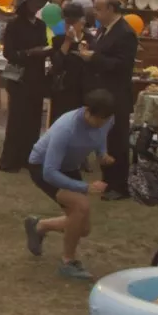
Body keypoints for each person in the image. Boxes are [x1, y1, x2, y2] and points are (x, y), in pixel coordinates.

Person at [22, 90, 117, 280]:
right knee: (81, 206)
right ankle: (68, 262)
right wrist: (85, 187)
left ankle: (39, 226)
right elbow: (50, 172)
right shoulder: (66, 128)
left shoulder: (108, 119)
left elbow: (100, 135)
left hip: (68, 167)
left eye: (105, 120)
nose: (102, 123)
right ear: (87, 111)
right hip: (43, 167)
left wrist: (102, 153)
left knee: (83, 229)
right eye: (98, 119)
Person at [81, 0, 139, 200]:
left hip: (117, 95)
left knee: (117, 141)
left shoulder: (125, 33)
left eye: (99, 9)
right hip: (102, 93)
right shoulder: (104, 30)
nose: (95, 13)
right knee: (104, 140)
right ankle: (107, 181)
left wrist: (94, 57)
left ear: (111, 9)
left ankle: (119, 186)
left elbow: (122, 65)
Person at [0, 0, 52, 172]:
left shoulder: (41, 25)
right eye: (32, 2)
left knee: (34, 120)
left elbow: (44, 45)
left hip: (37, 77)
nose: (36, 5)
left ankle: (29, 158)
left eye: (38, 2)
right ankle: (10, 161)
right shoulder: (14, 25)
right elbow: (9, 53)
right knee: (17, 120)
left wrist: (45, 51)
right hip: (19, 77)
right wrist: (29, 53)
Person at [47, 3, 91, 122]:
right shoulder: (58, 40)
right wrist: (67, 42)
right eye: (67, 23)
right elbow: (56, 65)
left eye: (73, 22)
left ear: (82, 22)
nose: (70, 26)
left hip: (83, 90)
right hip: (63, 89)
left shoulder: (90, 40)